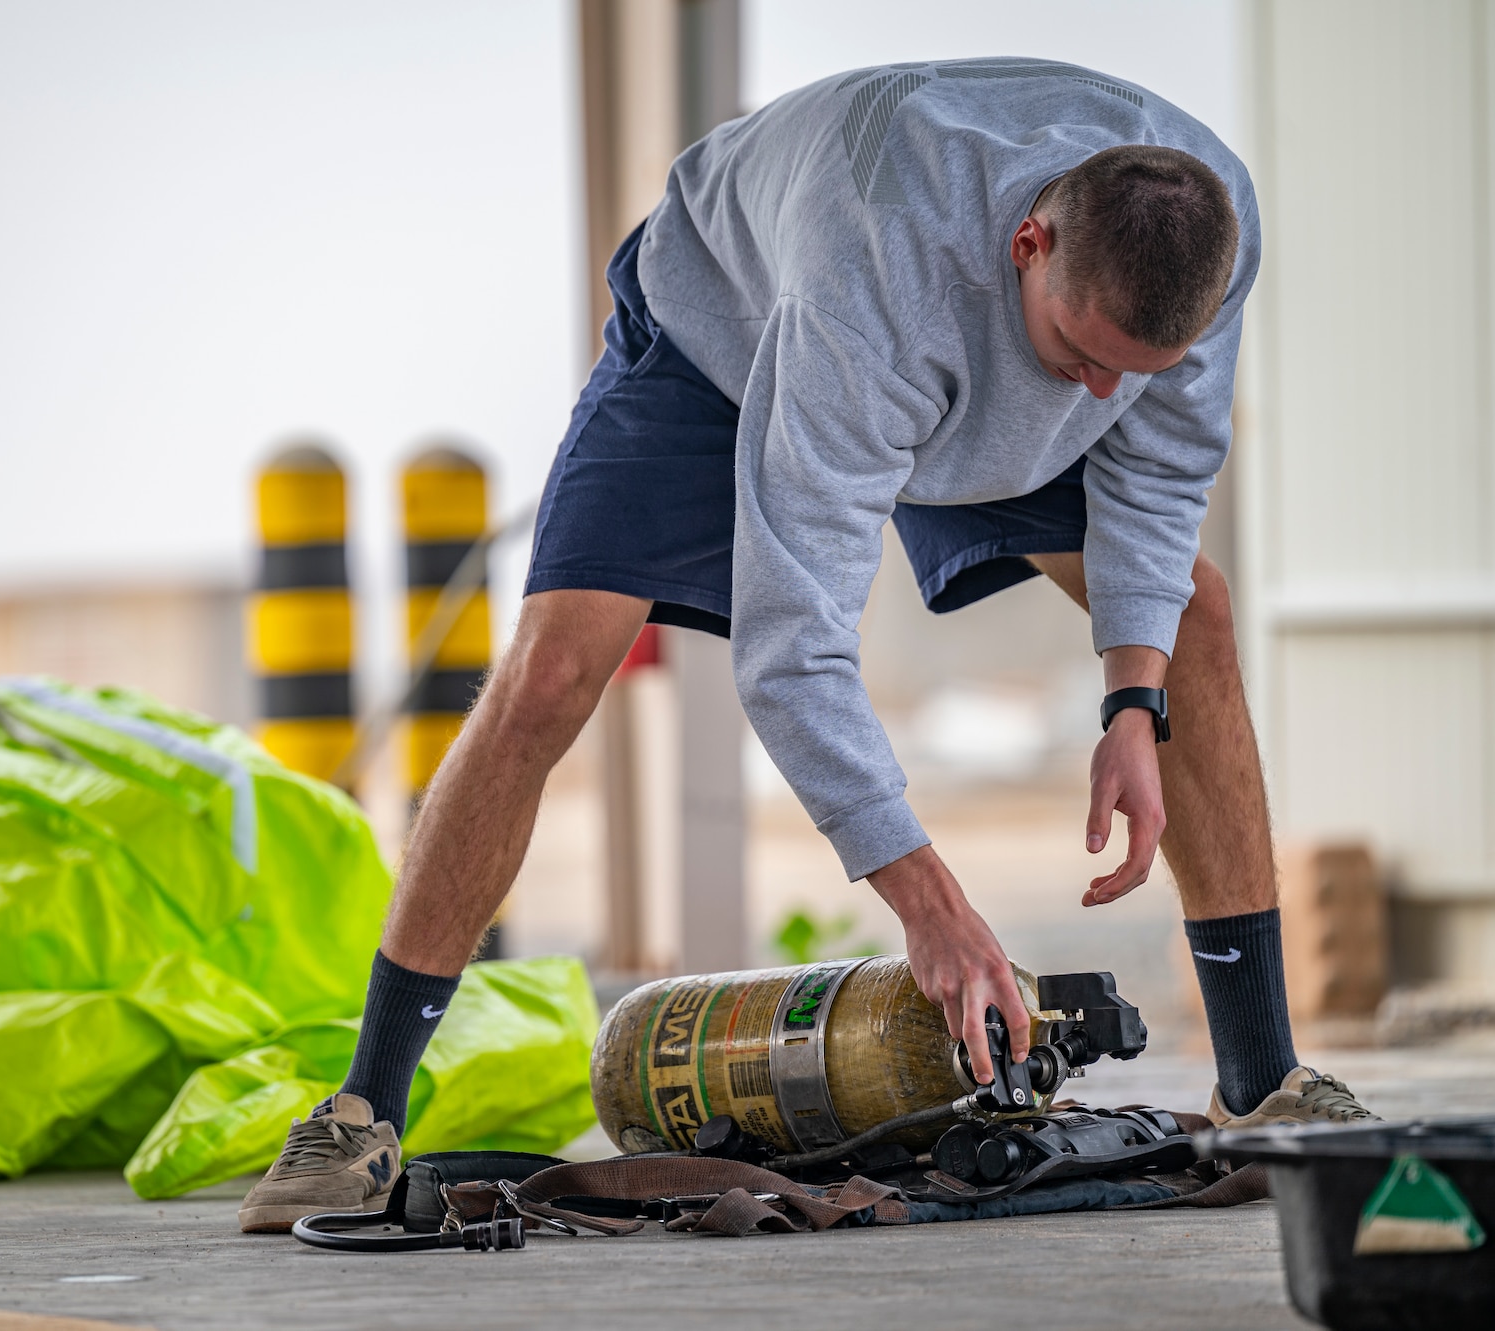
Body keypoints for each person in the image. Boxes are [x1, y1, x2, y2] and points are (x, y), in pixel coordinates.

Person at [238, 56, 1375, 1234]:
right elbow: (792, 643)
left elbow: (1155, 474)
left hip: (963, 368)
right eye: (1081, 356)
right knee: (550, 673)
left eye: (1127, 378)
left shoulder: (1200, 240)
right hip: (719, 340)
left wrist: (1129, 703)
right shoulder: (872, 271)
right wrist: (927, 902)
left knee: (1193, 612)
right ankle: (358, 1112)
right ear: (1028, 241)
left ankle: (1261, 1085)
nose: (1096, 399)